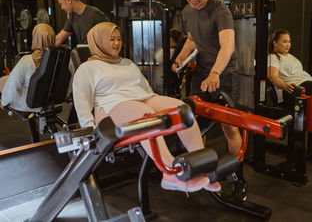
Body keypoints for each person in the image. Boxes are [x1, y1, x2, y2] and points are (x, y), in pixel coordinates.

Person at [72, 22, 221, 193]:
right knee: (146, 116)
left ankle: (201, 166)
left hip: (140, 99)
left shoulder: (127, 63)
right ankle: (170, 172)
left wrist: (160, 105)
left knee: (181, 109)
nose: (116, 43)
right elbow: (82, 103)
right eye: (111, 39)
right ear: (99, 41)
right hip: (110, 108)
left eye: (119, 39)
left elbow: (145, 89)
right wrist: (92, 134)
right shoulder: (87, 68)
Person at [172, 0, 246, 199]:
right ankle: (201, 170)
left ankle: (238, 175)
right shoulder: (187, 11)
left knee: (228, 126)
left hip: (223, 73)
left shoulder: (220, 11)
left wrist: (215, 73)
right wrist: (180, 59)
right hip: (202, 72)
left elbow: (228, 47)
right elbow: (192, 40)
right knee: (194, 124)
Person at [0, 23, 55, 112]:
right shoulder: (60, 58)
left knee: (3, 81)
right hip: (54, 102)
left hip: (31, 104)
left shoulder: (27, 60)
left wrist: (4, 102)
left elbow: (13, 86)